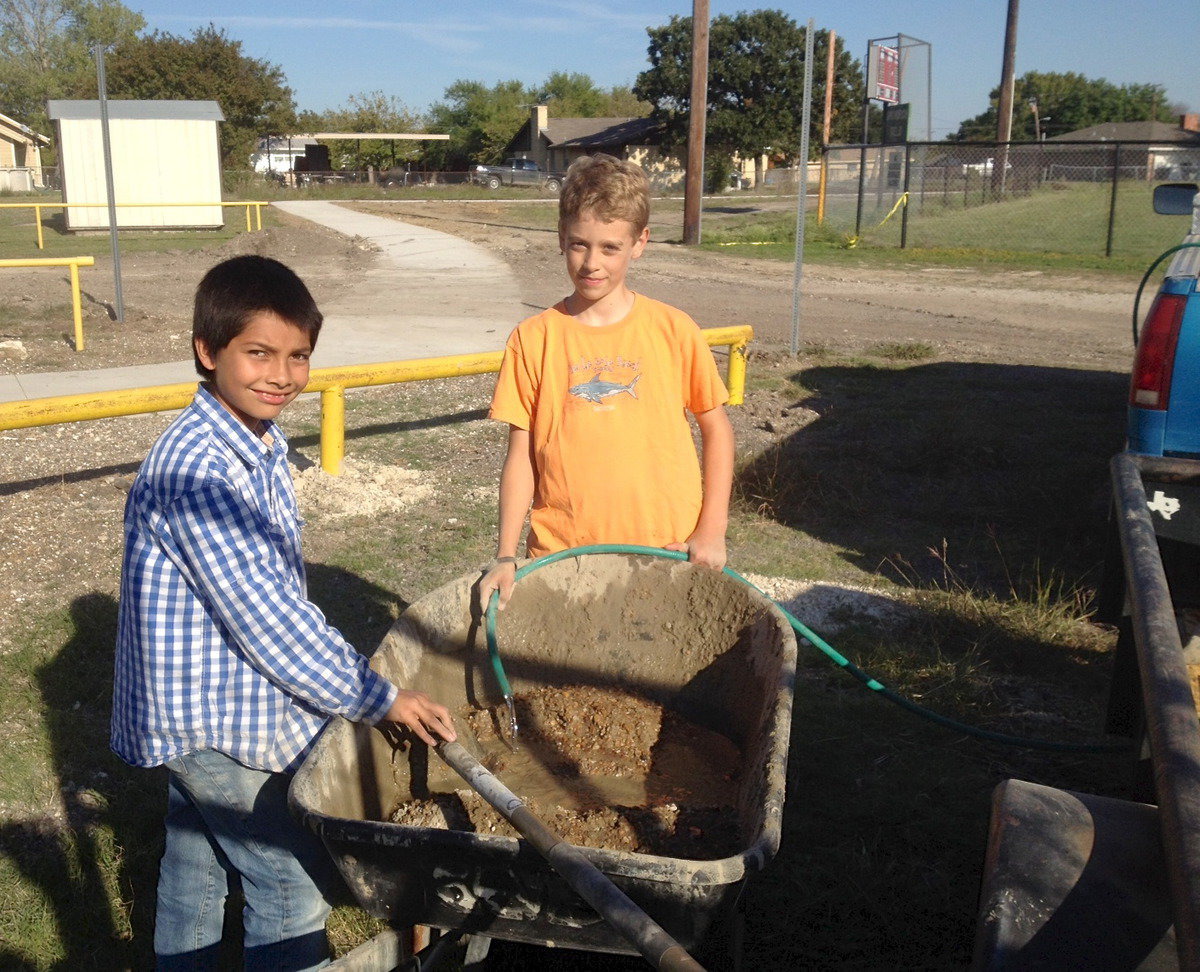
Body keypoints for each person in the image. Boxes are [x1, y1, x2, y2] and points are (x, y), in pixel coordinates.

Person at [111, 255, 456, 969]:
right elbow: (267, 617)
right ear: (208, 352)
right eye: (258, 353)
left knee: (197, 865)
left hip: (215, 706)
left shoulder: (256, 443)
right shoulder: (197, 471)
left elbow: (270, 592)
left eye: (298, 356)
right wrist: (378, 697)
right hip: (204, 719)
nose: (281, 374)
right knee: (286, 881)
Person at [478, 153, 735, 613]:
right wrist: (505, 554)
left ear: (639, 243)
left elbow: (716, 429)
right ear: (561, 239)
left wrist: (711, 529)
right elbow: (521, 453)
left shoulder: (674, 330)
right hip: (564, 556)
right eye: (579, 244)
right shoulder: (533, 338)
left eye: (610, 247)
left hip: (666, 550)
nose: (591, 262)